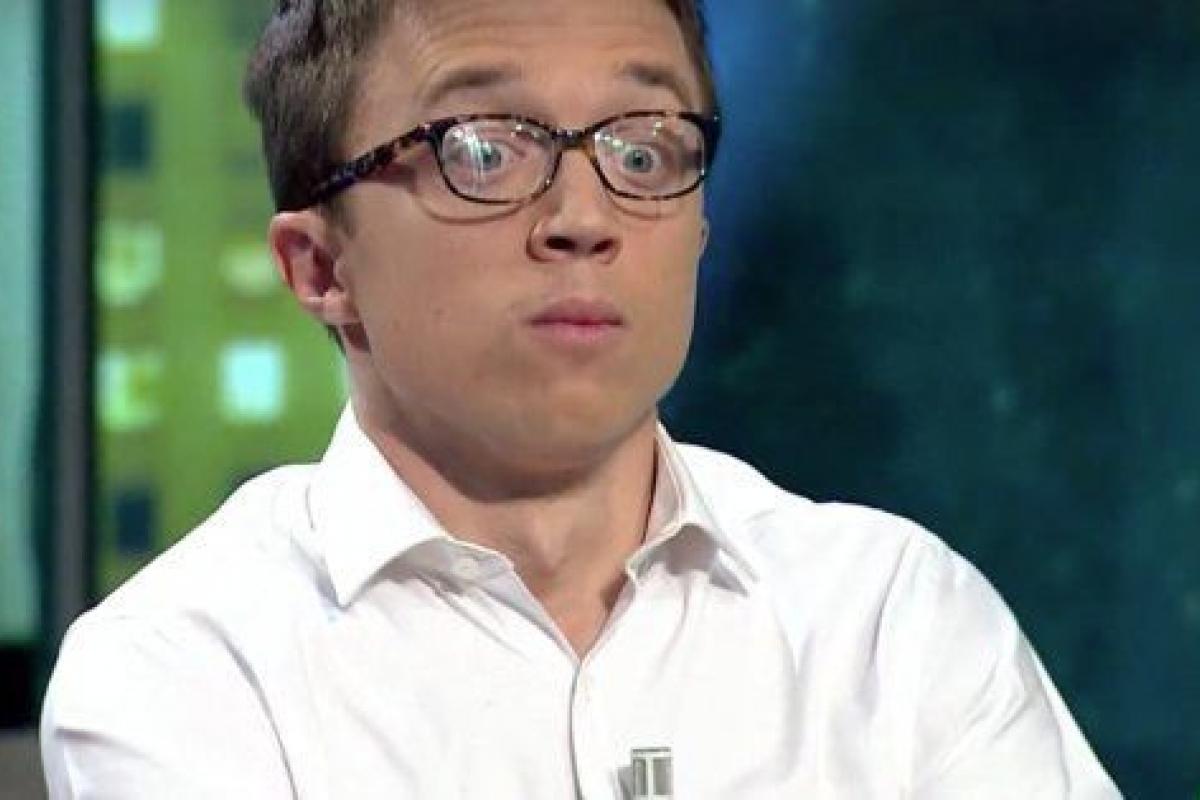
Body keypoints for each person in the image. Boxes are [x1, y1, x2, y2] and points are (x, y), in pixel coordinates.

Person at [41, 0, 1122, 797]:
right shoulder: (186, 669)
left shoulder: (893, 623)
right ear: (320, 267)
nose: (583, 218)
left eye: (642, 150)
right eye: (483, 150)